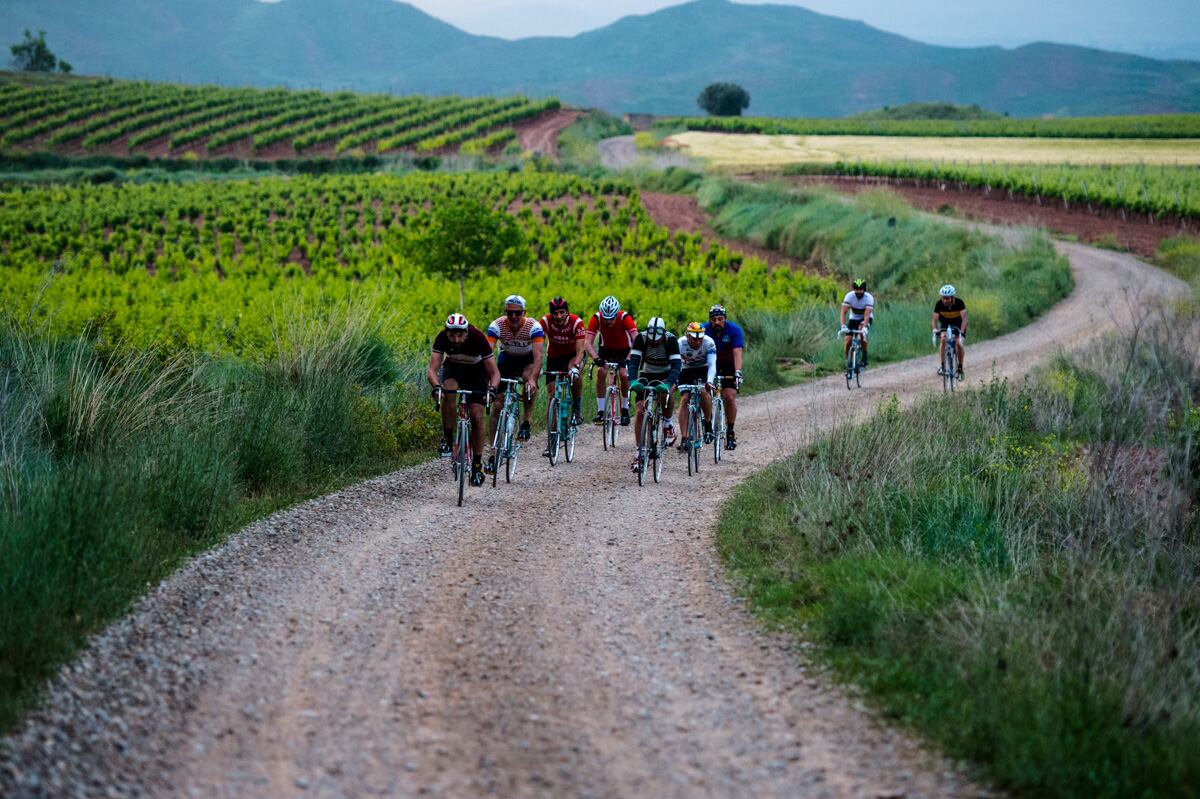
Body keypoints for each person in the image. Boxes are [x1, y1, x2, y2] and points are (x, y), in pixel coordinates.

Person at [428, 313, 501, 487]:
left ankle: (476, 465)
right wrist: (436, 386)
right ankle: (447, 439)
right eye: (452, 335)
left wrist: (492, 389)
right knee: (449, 390)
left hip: (477, 373)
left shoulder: (478, 338)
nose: (456, 339)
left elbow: (494, 372)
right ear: (446, 332)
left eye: (460, 334)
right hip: (454, 370)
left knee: (476, 415)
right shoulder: (442, 338)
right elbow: (432, 369)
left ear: (466, 332)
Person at [486, 294, 544, 470]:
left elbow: (538, 356)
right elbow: (488, 353)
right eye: (509, 313)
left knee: (528, 382)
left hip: (527, 361)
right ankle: (493, 451)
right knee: (497, 406)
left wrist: (533, 379)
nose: (513, 317)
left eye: (517, 313)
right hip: (507, 361)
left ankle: (526, 421)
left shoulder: (534, 327)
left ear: (524, 313)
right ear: (505, 312)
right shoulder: (496, 326)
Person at [627, 316, 682, 471]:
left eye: (657, 340)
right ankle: (639, 452)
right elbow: (634, 363)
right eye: (652, 341)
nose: (654, 342)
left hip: (666, 374)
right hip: (646, 374)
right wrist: (632, 381)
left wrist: (668, 383)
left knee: (667, 393)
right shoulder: (641, 338)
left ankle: (667, 424)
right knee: (639, 411)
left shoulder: (670, 340)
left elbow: (677, 366)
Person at [539, 296, 586, 455]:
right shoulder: (545, 322)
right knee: (552, 396)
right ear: (551, 314)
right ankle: (552, 442)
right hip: (554, 357)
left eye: (562, 312)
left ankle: (577, 409)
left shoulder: (576, 322)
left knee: (575, 374)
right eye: (555, 313)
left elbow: (580, 352)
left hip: (573, 355)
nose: (558, 316)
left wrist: (575, 366)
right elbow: (537, 346)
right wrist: (535, 366)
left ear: (567, 312)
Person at [584, 295, 638, 427]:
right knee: (601, 372)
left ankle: (624, 409)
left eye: (611, 318)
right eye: (606, 319)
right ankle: (601, 411)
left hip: (624, 350)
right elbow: (587, 342)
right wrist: (596, 358)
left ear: (616, 314)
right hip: (606, 349)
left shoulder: (624, 317)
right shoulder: (597, 318)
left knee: (624, 375)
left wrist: (628, 358)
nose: (608, 322)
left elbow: (637, 339)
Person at [703, 304, 744, 450]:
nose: (717, 322)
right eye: (714, 319)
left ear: (725, 319)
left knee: (730, 397)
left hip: (728, 365)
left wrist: (737, 372)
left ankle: (730, 431)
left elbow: (737, 353)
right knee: (703, 393)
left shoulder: (734, 330)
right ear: (710, 320)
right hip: (708, 364)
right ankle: (707, 422)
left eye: (720, 319)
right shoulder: (704, 329)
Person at [676, 321, 717, 449]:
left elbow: (712, 365)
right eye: (694, 339)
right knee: (684, 399)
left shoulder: (709, 342)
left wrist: (709, 382)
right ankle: (684, 438)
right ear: (688, 336)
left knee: (704, 392)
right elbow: (675, 365)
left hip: (702, 369)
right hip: (685, 369)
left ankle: (707, 424)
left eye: (700, 339)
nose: (698, 342)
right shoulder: (680, 343)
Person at [932, 284, 967, 378]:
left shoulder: (959, 303)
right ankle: (942, 366)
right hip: (945, 323)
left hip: (958, 324)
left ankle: (960, 368)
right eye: (943, 298)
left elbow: (964, 319)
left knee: (958, 343)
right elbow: (934, 319)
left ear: (952, 297)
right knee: (943, 339)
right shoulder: (939, 304)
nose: (945, 300)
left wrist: (962, 333)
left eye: (947, 298)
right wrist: (935, 330)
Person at [840, 278, 874, 367]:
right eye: (857, 289)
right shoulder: (849, 296)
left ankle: (864, 356)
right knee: (848, 340)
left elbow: (866, 315)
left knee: (861, 331)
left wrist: (865, 328)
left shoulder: (869, 298)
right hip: (854, 318)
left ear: (864, 290)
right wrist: (843, 326)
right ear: (854, 289)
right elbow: (843, 312)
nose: (859, 292)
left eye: (861, 289)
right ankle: (849, 361)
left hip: (865, 318)